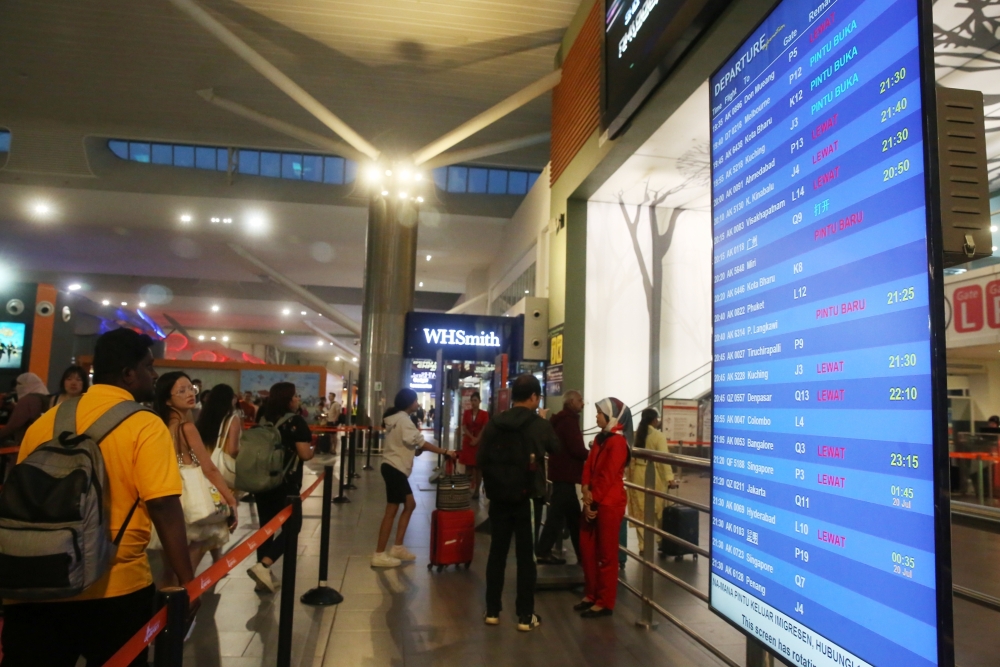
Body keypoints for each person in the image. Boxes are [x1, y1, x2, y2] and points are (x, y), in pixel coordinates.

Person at [1, 328, 195, 667]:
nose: (154, 375)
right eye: (149, 367)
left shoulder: (45, 423)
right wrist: (187, 580)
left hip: (35, 579)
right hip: (114, 586)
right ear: (128, 373)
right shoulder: (145, 425)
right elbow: (163, 503)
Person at [478, 374, 560, 631]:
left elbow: (481, 458)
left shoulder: (494, 423)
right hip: (529, 499)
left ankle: (492, 611)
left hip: (500, 497)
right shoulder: (538, 424)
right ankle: (525, 616)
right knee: (527, 557)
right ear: (534, 397)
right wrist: (544, 423)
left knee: (497, 554)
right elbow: (556, 449)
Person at [154, 372, 238, 580]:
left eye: (191, 388)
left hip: (168, 491)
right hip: (192, 495)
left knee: (168, 569)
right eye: (181, 391)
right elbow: (209, 469)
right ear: (167, 399)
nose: (190, 393)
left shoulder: (159, 426)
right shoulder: (187, 427)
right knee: (188, 567)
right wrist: (230, 500)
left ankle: (165, 609)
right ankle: (183, 607)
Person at [373, 388, 456, 568]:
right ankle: (380, 553)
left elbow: (409, 444)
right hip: (395, 469)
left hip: (392, 467)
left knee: (408, 505)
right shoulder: (404, 420)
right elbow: (422, 442)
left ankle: (397, 547)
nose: (417, 404)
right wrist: (445, 451)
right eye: (416, 401)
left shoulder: (396, 419)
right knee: (393, 510)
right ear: (409, 403)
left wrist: (414, 450)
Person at [246, 382, 316, 592]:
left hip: (261, 481)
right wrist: (314, 449)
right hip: (286, 484)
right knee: (292, 527)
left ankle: (262, 577)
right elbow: (304, 454)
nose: (297, 399)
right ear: (288, 399)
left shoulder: (263, 418)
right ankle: (264, 565)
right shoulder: (296, 422)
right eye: (295, 396)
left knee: (266, 528)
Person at [576, 397, 632, 619]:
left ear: (611, 416)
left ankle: (605, 600)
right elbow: (589, 466)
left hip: (608, 504)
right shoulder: (601, 439)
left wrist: (592, 501)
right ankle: (592, 594)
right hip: (595, 500)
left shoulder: (617, 443)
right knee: (587, 549)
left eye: (599, 413)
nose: (596, 416)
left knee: (607, 554)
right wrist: (586, 493)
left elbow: (608, 475)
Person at [536, 390, 588, 565]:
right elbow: (576, 448)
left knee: (571, 516)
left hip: (560, 472)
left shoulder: (560, 420)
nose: (583, 403)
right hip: (566, 474)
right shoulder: (569, 422)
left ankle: (582, 553)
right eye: (580, 400)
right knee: (559, 516)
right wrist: (593, 454)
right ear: (572, 402)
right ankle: (543, 550)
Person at [627, 408, 674, 554]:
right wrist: (670, 478)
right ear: (654, 420)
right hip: (653, 475)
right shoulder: (658, 436)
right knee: (658, 510)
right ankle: (660, 541)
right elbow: (663, 459)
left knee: (641, 510)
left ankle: (643, 545)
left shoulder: (636, 435)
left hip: (637, 474)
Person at [0, 373, 49, 449]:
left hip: (27, 445)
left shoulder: (27, 400)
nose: (17, 388)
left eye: (19, 384)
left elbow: (14, 425)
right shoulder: (45, 398)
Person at [459, 391, 488, 499]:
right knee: (468, 466)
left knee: (478, 467)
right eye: (472, 400)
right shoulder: (467, 413)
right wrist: (472, 438)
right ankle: (466, 488)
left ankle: (476, 491)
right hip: (468, 441)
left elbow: (484, 428)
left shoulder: (484, 414)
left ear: (479, 401)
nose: (473, 402)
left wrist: (477, 439)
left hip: (479, 443)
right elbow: (464, 427)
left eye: (475, 400)